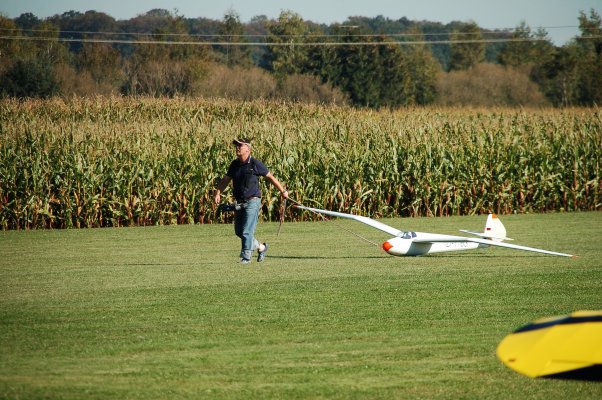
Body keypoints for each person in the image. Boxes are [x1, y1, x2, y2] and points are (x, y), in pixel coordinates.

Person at [214, 138, 289, 264]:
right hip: (239, 203)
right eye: (236, 146)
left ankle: (246, 257)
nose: (237, 148)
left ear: (248, 149)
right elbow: (226, 179)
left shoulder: (255, 163)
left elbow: (270, 177)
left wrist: (283, 191)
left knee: (247, 231)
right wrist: (218, 192)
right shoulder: (234, 164)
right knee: (239, 231)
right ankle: (261, 247)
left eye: (240, 146)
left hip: (253, 201)